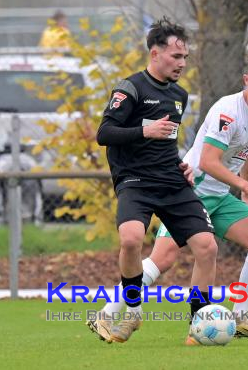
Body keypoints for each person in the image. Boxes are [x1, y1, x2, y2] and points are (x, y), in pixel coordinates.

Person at [91, 54, 248, 344]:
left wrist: (245, 189)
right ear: (247, 80)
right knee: (163, 258)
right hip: (193, 191)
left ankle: (240, 317)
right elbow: (207, 161)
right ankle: (107, 313)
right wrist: (245, 184)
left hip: (221, 195)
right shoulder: (228, 110)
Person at [87, 17, 217, 344]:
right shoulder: (129, 88)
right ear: (155, 54)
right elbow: (104, 134)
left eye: (185, 57)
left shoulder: (179, 95)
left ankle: (199, 326)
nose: (182, 63)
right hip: (135, 181)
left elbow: (167, 141)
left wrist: (181, 165)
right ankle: (132, 308)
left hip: (172, 182)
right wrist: (144, 130)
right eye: (176, 57)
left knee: (207, 247)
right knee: (131, 240)